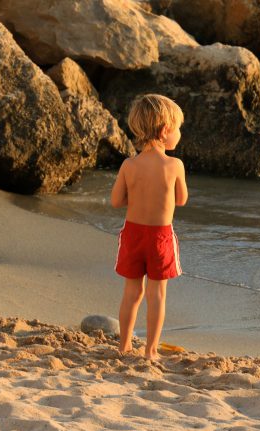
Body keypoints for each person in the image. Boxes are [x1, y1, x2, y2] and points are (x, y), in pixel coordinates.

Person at [110, 94, 188, 360]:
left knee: (132, 292)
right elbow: (181, 199)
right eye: (177, 129)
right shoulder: (174, 165)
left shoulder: (129, 165)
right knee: (157, 294)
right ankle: (151, 350)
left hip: (132, 235)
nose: (178, 134)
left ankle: (124, 346)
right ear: (165, 130)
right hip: (160, 237)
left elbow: (116, 201)